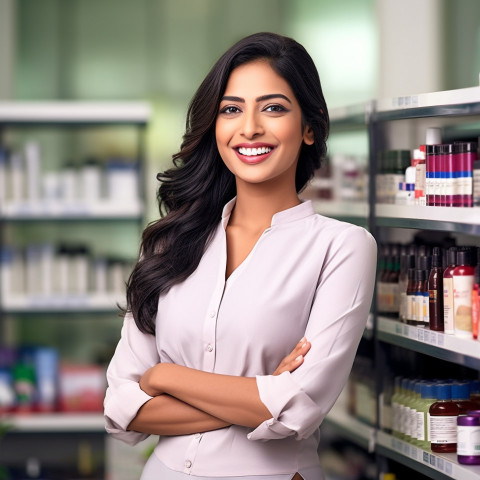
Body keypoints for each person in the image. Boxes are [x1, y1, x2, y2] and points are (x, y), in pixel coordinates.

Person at [104, 32, 377, 480]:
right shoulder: (171, 242)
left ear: (310, 126)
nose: (249, 127)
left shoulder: (342, 248)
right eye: (231, 109)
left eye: (273, 107)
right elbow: (121, 409)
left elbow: (296, 408)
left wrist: (164, 379)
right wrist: (256, 396)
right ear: (215, 125)